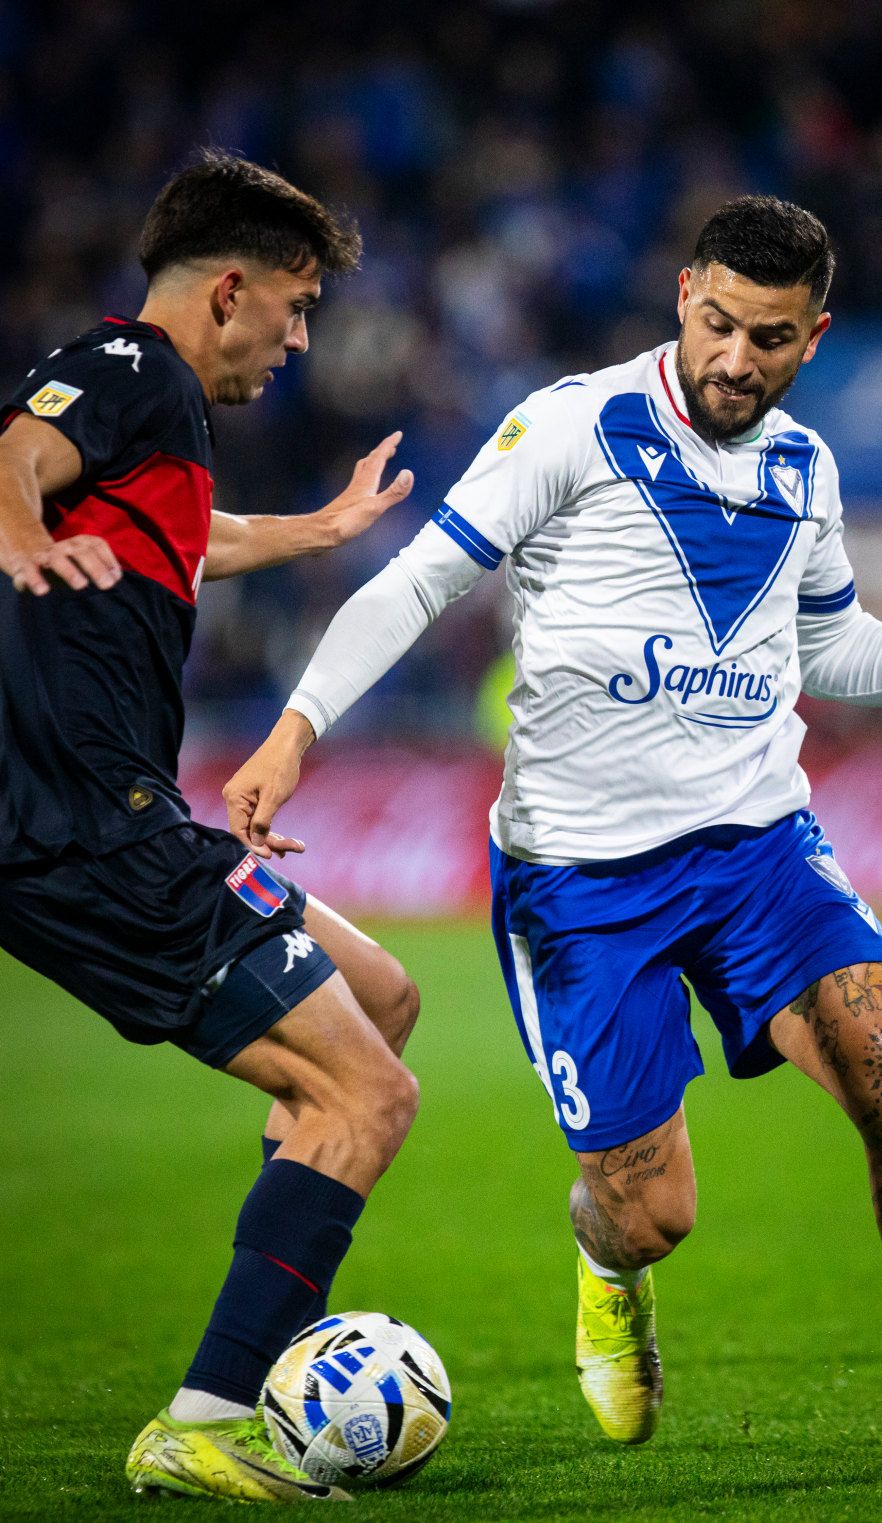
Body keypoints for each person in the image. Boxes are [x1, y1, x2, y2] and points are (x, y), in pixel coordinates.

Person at [225, 195, 882, 1475]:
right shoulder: (574, 425)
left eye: (769, 338)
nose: (735, 358)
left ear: (814, 337)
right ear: (683, 296)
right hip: (581, 879)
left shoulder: (805, 470)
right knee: (652, 1208)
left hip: (761, 847)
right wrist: (295, 729)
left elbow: (828, 645)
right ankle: (608, 1263)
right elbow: (419, 579)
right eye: (718, 323)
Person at [0, 151, 424, 1503]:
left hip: (109, 813)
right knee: (369, 1094)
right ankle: (206, 1415)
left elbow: (190, 535)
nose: (298, 342)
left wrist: (322, 527)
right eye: (295, 310)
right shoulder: (131, 366)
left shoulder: (156, 418)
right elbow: (14, 454)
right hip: (91, 825)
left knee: (383, 995)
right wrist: (18, 535)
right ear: (230, 290)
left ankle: (280, 1348)